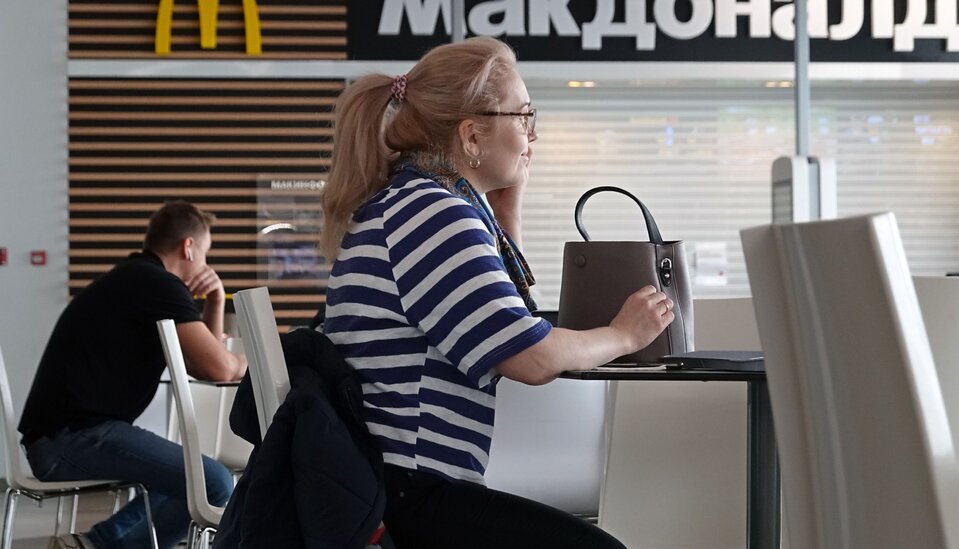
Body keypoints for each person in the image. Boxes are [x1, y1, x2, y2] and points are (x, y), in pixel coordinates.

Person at [320, 36, 674, 549]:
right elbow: (531, 356)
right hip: (410, 491)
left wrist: (507, 212)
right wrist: (625, 334)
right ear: (471, 136)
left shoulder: (410, 200)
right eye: (524, 115)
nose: (533, 134)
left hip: (393, 480)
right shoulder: (434, 214)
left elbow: (507, 321)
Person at [19, 201, 247, 549]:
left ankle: (96, 542)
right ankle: (102, 544)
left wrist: (215, 301)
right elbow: (220, 367)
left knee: (189, 477)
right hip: (71, 440)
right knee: (213, 482)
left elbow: (200, 364)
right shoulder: (158, 284)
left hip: (61, 437)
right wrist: (252, 360)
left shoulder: (137, 277)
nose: (206, 264)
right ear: (188, 247)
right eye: (205, 253)